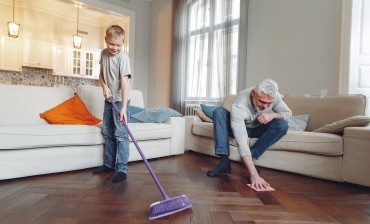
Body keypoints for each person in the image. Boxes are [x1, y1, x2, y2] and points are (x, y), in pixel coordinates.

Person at [207, 79, 292, 190]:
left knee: (282, 125)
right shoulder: (240, 104)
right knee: (219, 113)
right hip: (238, 127)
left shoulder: (275, 97)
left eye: (269, 103)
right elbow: (241, 140)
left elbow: (288, 115)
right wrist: (254, 175)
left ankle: (251, 157)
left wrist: (272, 115)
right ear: (253, 94)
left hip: (257, 128)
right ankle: (224, 162)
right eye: (262, 101)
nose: (266, 106)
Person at [92, 25, 131, 183]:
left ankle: (122, 169)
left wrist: (123, 108)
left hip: (121, 100)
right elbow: (100, 76)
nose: (114, 48)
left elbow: (125, 83)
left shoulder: (123, 58)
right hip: (109, 100)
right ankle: (109, 164)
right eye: (111, 44)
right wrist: (104, 86)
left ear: (123, 43)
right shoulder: (103, 53)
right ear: (105, 40)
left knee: (121, 135)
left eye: (118, 45)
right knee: (108, 133)